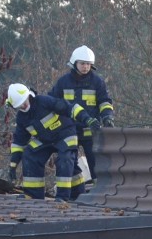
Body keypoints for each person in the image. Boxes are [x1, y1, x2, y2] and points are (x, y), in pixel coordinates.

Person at [7, 82, 98, 201]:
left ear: (29, 95)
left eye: (24, 101)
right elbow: (19, 141)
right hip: (44, 139)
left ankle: (64, 197)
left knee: (65, 160)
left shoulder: (44, 101)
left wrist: (87, 119)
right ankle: (33, 195)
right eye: (19, 105)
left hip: (65, 134)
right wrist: (13, 165)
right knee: (30, 155)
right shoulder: (22, 118)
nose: (23, 106)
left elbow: (70, 108)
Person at [48, 45, 116, 190]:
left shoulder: (97, 82)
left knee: (96, 161)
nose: (86, 67)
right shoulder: (63, 82)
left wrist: (107, 117)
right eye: (82, 63)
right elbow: (52, 102)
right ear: (74, 63)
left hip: (91, 130)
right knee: (68, 160)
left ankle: (100, 191)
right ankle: (74, 192)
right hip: (68, 130)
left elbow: (104, 101)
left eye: (88, 64)